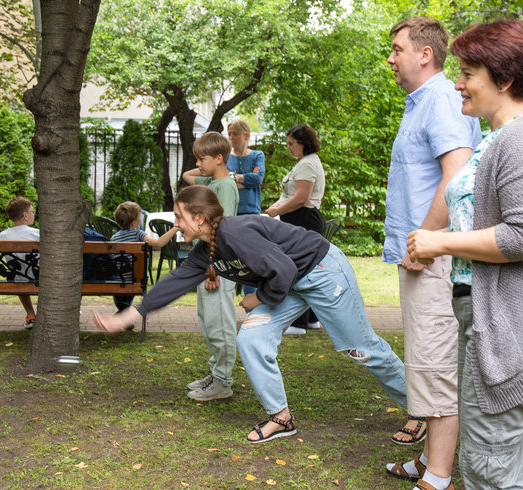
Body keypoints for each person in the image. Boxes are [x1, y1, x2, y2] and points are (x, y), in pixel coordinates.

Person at [93, 185, 408, 444]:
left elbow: (283, 268)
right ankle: (281, 418)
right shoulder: (207, 249)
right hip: (289, 283)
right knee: (252, 339)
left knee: (360, 348)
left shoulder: (236, 232)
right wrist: (127, 316)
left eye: (179, 217)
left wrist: (260, 297)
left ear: (200, 217)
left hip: (321, 271)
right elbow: (174, 283)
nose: (176, 224)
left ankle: (421, 408)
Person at [406, 19, 523, 490]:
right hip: (488, 318)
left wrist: (439, 242)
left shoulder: (520, 138)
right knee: (490, 457)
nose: (457, 83)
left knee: (490, 464)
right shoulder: (497, 136)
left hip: (510, 327)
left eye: (467, 73)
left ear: (503, 80)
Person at [382, 16, 482, 489]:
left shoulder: (441, 99)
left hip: (434, 254)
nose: (391, 58)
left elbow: (457, 177)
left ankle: (438, 476)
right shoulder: (421, 102)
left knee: (437, 365)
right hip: (424, 253)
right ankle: (427, 460)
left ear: (425, 54)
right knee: (425, 360)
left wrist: (424, 242)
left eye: (398, 49)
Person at [180, 132, 239, 402]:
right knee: (209, 321)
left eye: (202, 158)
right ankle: (217, 373)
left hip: (217, 263)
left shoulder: (224, 186)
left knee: (220, 324)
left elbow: (220, 228)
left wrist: (213, 267)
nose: (197, 163)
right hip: (208, 260)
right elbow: (187, 177)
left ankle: (223, 381)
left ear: (218, 158)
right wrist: (208, 165)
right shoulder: (215, 181)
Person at [265, 124, 326, 335]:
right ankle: (310, 319)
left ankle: (298, 323)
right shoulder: (305, 163)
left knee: (298, 270)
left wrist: (276, 211)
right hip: (301, 220)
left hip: (304, 220)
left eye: (291, 144)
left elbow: (301, 198)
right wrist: (277, 207)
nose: (288, 147)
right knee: (306, 270)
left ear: (303, 143)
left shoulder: (307, 165)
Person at [110, 201, 179, 312]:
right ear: (133, 223)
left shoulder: (114, 238)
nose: (140, 218)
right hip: (136, 280)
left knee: (123, 294)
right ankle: (124, 312)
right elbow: (158, 243)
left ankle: (123, 309)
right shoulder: (138, 234)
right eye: (139, 217)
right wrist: (175, 229)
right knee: (134, 276)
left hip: (118, 280)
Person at [227, 119, 266, 300]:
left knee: (250, 258)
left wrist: (235, 178)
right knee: (233, 258)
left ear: (246, 135)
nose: (231, 137)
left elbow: (257, 179)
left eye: (235, 134)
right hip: (230, 212)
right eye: (230, 134)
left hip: (251, 212)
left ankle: (250, 298)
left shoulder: (258, 155)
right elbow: (224, 182)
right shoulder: (226, 156)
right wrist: (244, 180)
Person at [0, 196, 40, 329]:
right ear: (25, 215)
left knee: (18, 274)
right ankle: (43, 315)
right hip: (39, 277)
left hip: (17, 278)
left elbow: (3, 257)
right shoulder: (37, 234)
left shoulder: (3, 236)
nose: (34, 215)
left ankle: (31, 315)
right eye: (32, 212)